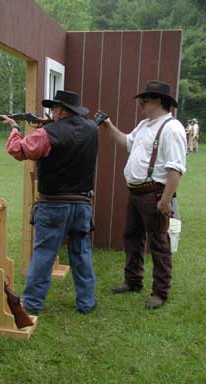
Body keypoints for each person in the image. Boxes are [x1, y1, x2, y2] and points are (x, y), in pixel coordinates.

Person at [1, 90, 98, 315]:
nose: (52, 111)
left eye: (54, 108)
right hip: (82, 205)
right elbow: (73, 134)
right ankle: (86, 303)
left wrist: (14, 128)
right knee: (82, 253)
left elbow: (18, 150)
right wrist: (45, 125)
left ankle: (32, 304)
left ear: (61, 110)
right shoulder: (92, 129)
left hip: (53, 205)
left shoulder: (47, 133)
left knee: (44, 255)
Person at [100, 80, 187, 309]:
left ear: (158, 101)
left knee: (159, 244)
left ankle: (160, 292)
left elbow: (175, 169)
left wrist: (165, 200)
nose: (141, 105)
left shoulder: (172, 128)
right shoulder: (144, 125)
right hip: (136, 193)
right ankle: (133, 281)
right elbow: (126, 141)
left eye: (145, 100)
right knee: (132, 237)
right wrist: (108, 125)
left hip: (154, 194)